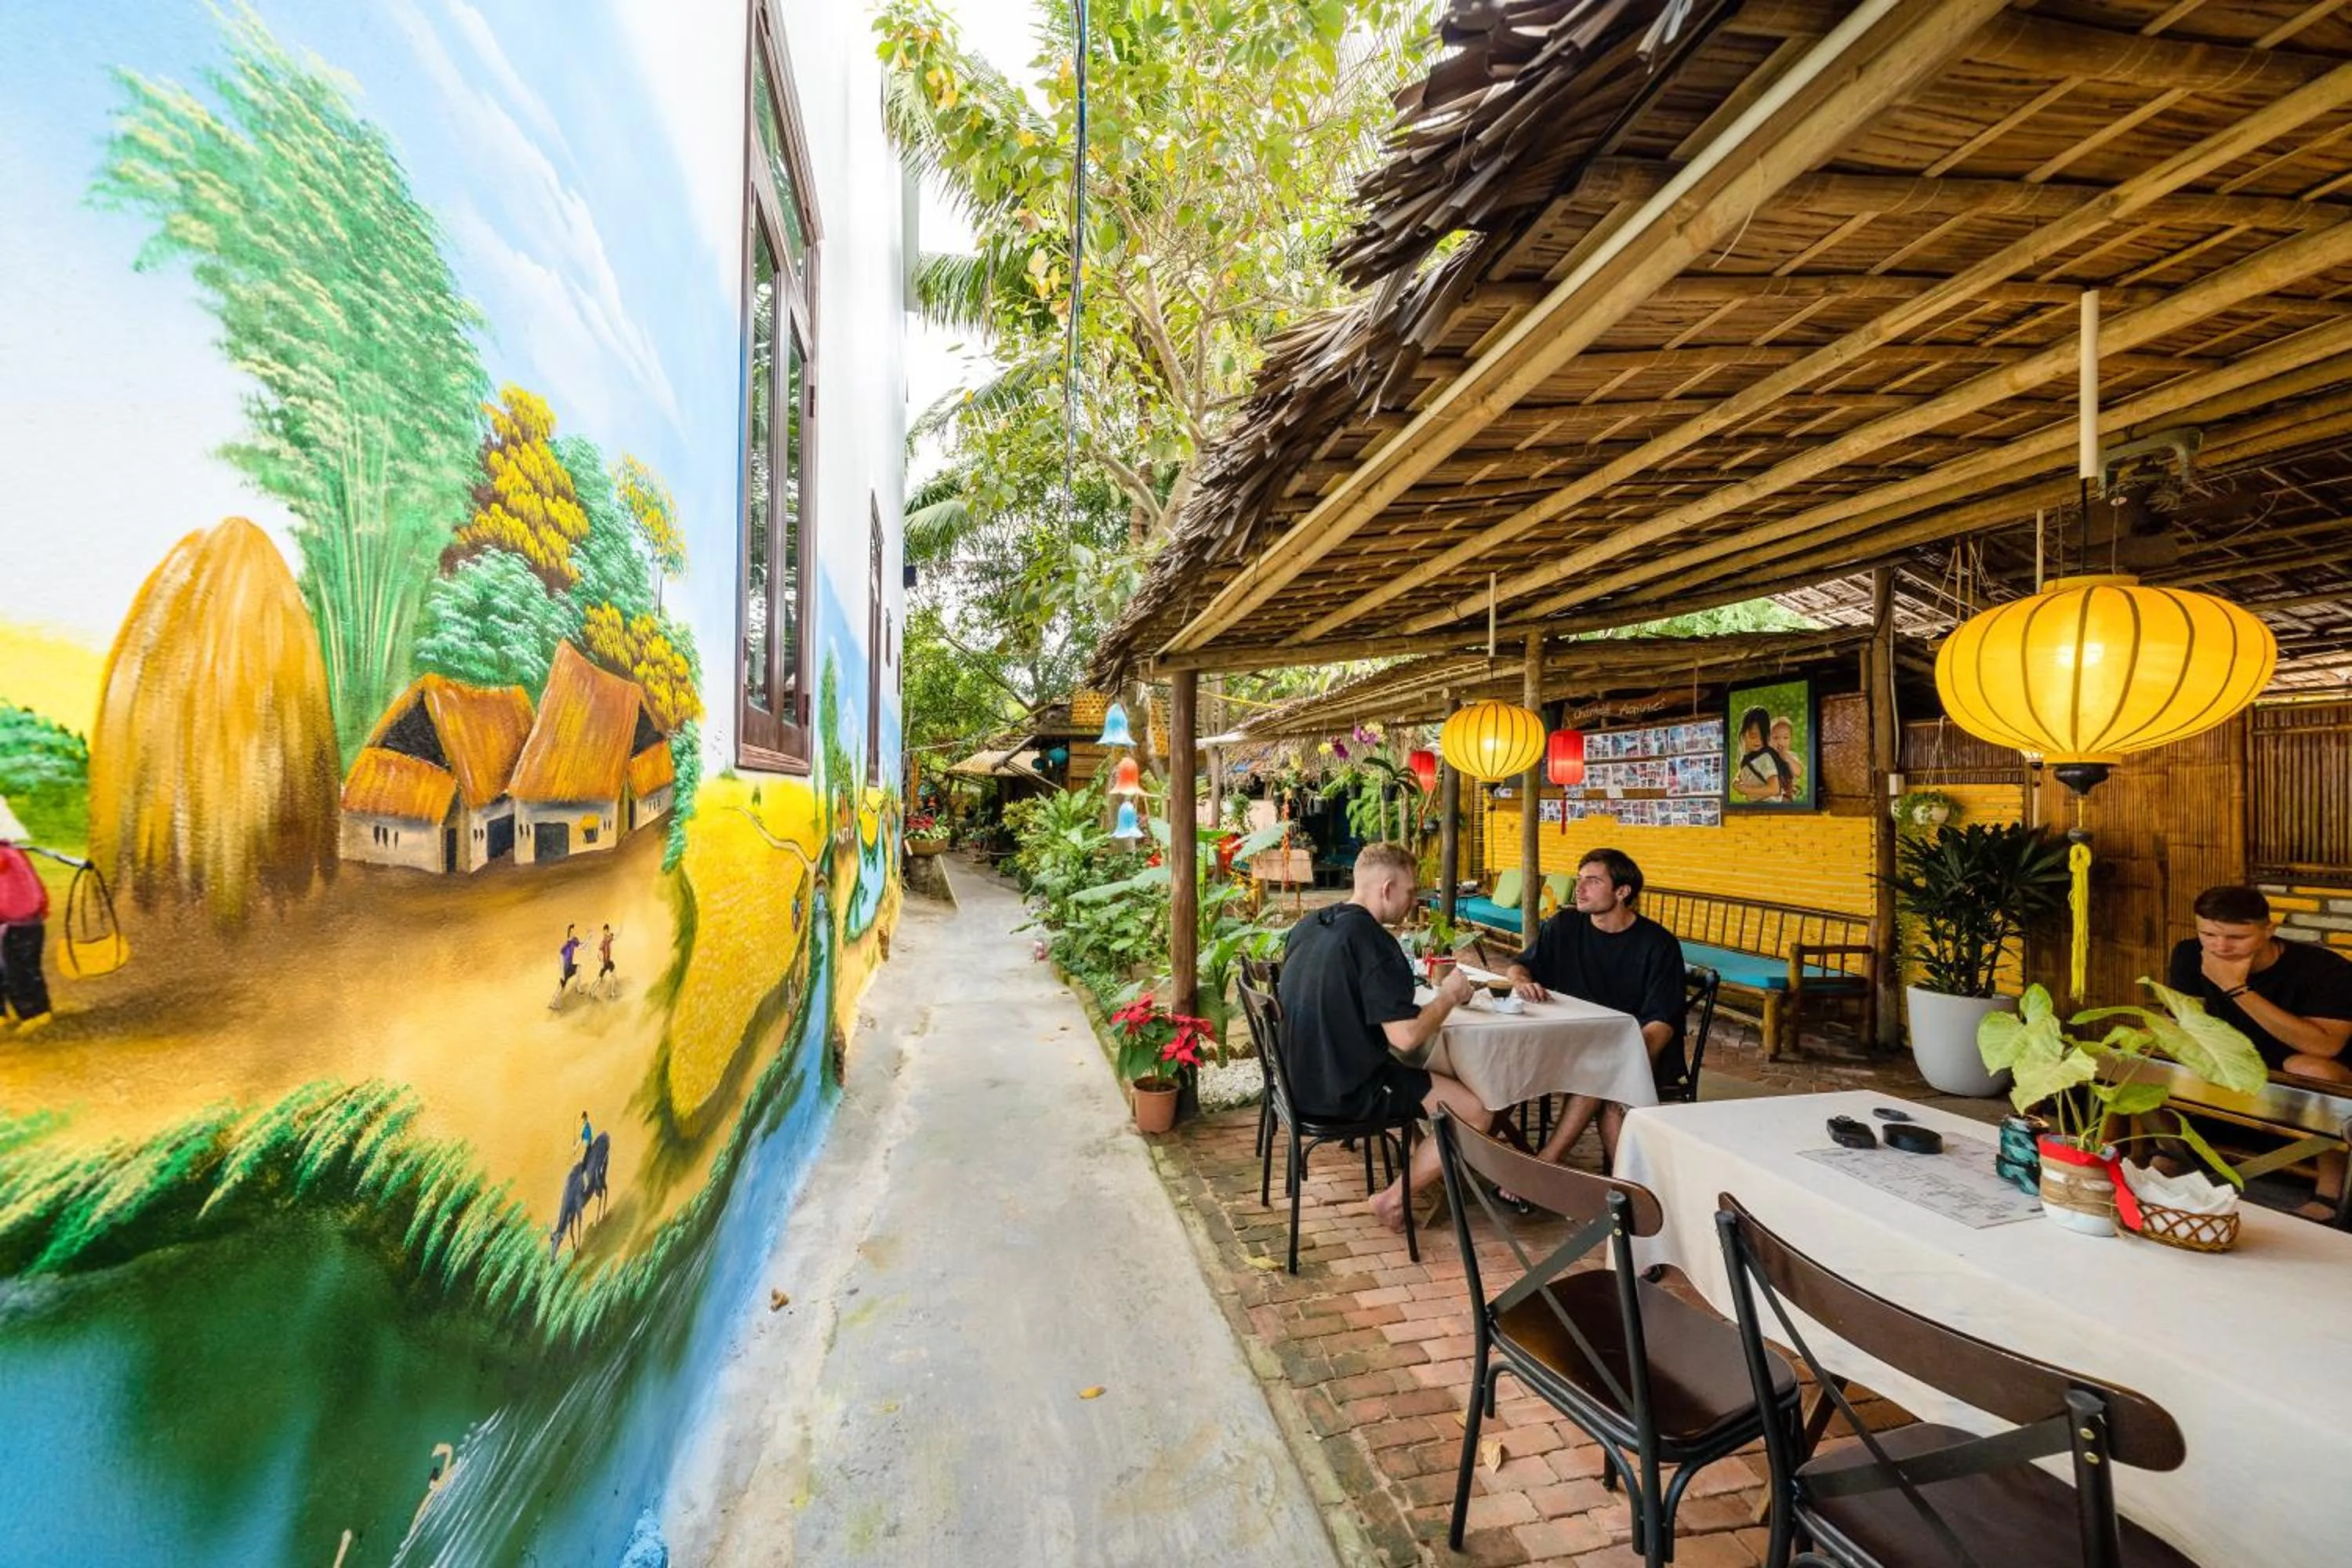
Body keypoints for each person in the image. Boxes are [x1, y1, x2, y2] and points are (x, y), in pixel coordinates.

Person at [1278, 841, 1490, 1234]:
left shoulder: (1310, 925)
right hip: (1342, 1091)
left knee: (1425, 1078)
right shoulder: (1374, 943)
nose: (1413, 901)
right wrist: (1449, 997)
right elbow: (1407, 1037)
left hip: (1294, 1081)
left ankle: (1425, 1158)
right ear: (1388, 888)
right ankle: (1393, 1198)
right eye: (1411, 891)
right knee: (1476, 1108)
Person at [2165, 885, 2352, 1221]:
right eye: (2208, 934)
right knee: (2147, 1045)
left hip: (2314, 1069)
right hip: (2232, 1057)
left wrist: (2236, 988)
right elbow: (2184, 1022)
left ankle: (2330, 1191)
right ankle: (2168, 1151)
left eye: (2237, 937)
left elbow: (2326, 1046)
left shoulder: (2325, 970)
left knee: (2311, 1068)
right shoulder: (2190, 954)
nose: (2220, 947)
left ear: (2269, 929)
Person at [1504, 848, 1686, 1166]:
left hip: (1640, 1048)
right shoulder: (1565, 926)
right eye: (1579, 879)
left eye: (1593, 881)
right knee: (1509, 1060)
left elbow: (1662, 1023)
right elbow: (1520, 967)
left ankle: (1546, 1163)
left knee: (1603, 1068)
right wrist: (1521, 982)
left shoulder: (1658, 945)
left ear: (1622, 892)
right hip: (1571, 1043)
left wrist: (1626, 1060)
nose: (1580, 888)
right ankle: (1629, 1193)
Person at [0, 796, 57, 1036]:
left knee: (20, 969)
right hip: (13, 923)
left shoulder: (7, 855)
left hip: (19, 924)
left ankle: (36, 1013)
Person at [1732, 706, 1791, 802]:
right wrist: (1736, 783)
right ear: (1743, 734)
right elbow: (1740, 775)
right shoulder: (1750, 759)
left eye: (1763, 736)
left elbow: (1774, 789)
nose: (1758, 741)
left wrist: (1745, 789)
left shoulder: (1765, 758)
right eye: (1753, 736)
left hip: (1768, 805)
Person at [1768, 715, 1806, 799]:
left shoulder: (1791, 756)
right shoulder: (1767, 757)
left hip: (1786, 793)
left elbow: (1799, 772)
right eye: (1776, 738)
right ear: (1768, 740)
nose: (1781, 742)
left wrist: (1788, 758)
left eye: (1786, 738)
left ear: (1791, 740)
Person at [550, 924, 583, 1009]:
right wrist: (562, 973)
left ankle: (578, 988)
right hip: (565, 969)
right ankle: (553, 1003)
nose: (574, 933)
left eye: (574, 931)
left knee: (579, 968)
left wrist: (588, 938)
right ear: (569, 933)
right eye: (572, 931)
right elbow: (560, 957)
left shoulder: (574, 941)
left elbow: (582, 946)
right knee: (561, 987)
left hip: (570, 967)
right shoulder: (566, 946)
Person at [596, 924, 617, 995]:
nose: (607, 933)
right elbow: (599, 953)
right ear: (604, 932)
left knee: (614, 974)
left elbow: (614, 937)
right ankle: (592, 992)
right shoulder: (603, 942)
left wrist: (620, 931)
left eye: (607, 931)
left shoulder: (608, 939)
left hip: (608, 962)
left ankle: (612, 992)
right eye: (605, 931)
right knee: (599, 979)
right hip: (605, 963)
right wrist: (602, 962)